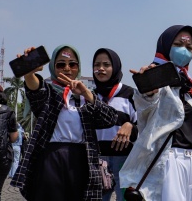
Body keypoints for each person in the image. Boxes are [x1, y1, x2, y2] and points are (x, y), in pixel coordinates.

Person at [10, 45, 118, 201]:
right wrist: (29, 72)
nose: (67, 68)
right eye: (61, 64)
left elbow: (110, 119)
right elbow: (36, 90)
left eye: (72, 64)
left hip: (82, 159)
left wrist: (87, 94)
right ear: (53, 67)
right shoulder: (49, 92)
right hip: (52, 159)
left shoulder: (86, 97)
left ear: (78, 67)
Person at [120, 25, 192, 201]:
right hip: (169, 161)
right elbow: (145, 107)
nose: (184, 50)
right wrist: (147, 89)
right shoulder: (156, 78)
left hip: (191, 162)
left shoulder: (185, 87)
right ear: (166, 46)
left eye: (189, 47)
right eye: (178, 44)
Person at [92, 48, 138, 201]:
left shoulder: (130, 94)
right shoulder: (90, 96)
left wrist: (130, 126)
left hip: (125, 161)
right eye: (97, 65)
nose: (101, 69)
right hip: (97, 161)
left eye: (106, 64)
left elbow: (144, 127)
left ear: (116, 67)